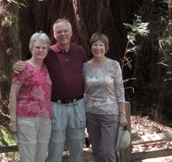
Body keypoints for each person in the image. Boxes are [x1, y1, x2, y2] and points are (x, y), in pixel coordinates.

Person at [13, 19, 87, 162]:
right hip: (56, 106)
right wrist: (16, 66)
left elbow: (88, 72)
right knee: (55, 147)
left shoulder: (79, 51)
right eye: (59, 31)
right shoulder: (49, 52)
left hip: (78, 105)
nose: (63, 34)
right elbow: (33, 64)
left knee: (78, 145)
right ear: (54, 34)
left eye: (65, 30)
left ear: (71, 32)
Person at [83, 33, 128, 162]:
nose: (98, 48)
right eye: (95, 45)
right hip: (91, 114)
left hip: (110, 114)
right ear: (91, 47)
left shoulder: (114, 65)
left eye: (101, 45)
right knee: (97, 151)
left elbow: (119, 90)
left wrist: (122, 113)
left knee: (108, 152)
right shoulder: (85, 67)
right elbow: (81, 89)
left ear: (106, 48)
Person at [9, 32, 52, 162]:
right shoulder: (23, 67)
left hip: (45, 118)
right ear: (31, 48)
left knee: (41, 156)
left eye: (44, 48)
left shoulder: (45, 67)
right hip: (27, 118)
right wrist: (13, 121)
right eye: (37, 47)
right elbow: (12, 94)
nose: (40, 50)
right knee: (28, 156)